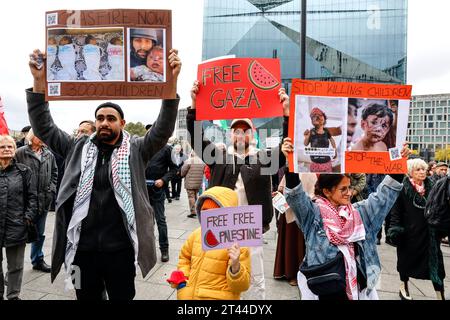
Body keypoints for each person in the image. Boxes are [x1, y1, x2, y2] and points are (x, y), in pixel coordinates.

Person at [27, 47, 181, 300]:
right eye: (100, 118)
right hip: (81, 250)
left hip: (120, 251)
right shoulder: (76, 147)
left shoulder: (137, 149)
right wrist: (38, 81)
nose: (104, 123)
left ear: (121, 122)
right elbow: (43, 125)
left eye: (111, 118)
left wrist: (171, 81)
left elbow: (163, 128)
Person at [187, 80, 289, 300]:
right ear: (230, 134)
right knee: (219, 279)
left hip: (251, 228)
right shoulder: (218, 157)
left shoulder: (264, 159)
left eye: (245, 131)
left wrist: (287, 113)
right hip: (221, 226)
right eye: (236, 131)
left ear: (252, 134)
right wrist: (194, 104)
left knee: (254, 281)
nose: (240, 135)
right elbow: (196, 138)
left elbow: (286, 146)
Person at [281, 137, 410, 300]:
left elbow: (385, 195)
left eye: (349, 187)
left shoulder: (361, 212)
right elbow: (296, 196)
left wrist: (399, 161)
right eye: (343, 189)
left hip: (359, 287)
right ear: (327, 191)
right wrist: (290, 160)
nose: (349, 193)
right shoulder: (313, 214)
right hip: (326, 287)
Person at [174, 186, 251, 300]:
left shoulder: (238, 243)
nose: (209, 218)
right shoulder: (196, 234)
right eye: (205, 212)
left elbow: (241, 286)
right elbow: (184, 258)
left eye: (214, 213)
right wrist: (182, 282)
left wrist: (235, 266)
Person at [387, 158, 446, 300]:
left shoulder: (434, 187)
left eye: (423, 169)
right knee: (406, 262)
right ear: (410, 172)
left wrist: (442, 226)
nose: (422, 172)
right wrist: (395, 229)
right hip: (410, 233)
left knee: (436, 265)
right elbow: (396, 211)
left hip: (430, 234)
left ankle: (440, 295)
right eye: (418, 170)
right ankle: (404, 286)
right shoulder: (402, 188)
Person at [0, 135, 38, 300]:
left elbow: (32, 197)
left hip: (17, 225)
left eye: (10, 147)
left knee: (15, 265)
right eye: (2, 147)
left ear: (15, 150)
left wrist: (28, 217)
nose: (7, 149)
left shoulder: (24, 171)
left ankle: (13, 295)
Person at [15, 129, 57, 273]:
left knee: (40, 233)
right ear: (32, 137)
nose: (43, 138)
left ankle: (37, 260)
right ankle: (14, 268)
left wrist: (51, 189)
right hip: (24, 202)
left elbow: (54, 173)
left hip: (43, 201)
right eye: (40, 135)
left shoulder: (48, 154)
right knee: (18, 236)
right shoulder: (20, 152)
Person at [145, 139, 177, 263]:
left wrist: (163, 180)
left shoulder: (167, 149)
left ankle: (164, 249)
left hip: (157, 190)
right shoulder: (143, 147)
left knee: (160, 220)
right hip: (142, 189)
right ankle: (147, 250)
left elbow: (174, 169)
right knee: (145, 222)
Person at [303, 107, 337, 172]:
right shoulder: (311, 132)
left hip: (326, 162)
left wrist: (335, 150)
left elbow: (332, 140)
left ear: (324, 118)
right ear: (312, 121)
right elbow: (306, 144)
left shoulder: (327, 131)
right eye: (315, 116)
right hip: (315, 162)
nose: (318, 117)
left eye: (320, 115)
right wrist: (306, 137)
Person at [181, 150, 205, 218]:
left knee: (191, 196)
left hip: (190, 182)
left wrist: (182, 175)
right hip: (198, 182)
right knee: (195, 196)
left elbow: (183, 171)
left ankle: (193, 211)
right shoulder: (202, 162)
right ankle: (197, 209)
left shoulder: (189, 161)